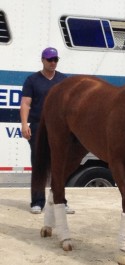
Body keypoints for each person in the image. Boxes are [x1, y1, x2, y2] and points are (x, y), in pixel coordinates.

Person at [20, 47, 75, 215]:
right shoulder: (32, 80)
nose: (53, 63)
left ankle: (60, 201)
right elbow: (26, 104)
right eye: (49, 59)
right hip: (38, 127)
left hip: (59, 128)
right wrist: (24, 124)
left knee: (60, 165)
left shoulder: (63, 80)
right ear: (42, 60)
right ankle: (37, 201)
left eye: (55, 59)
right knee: (39, 164)